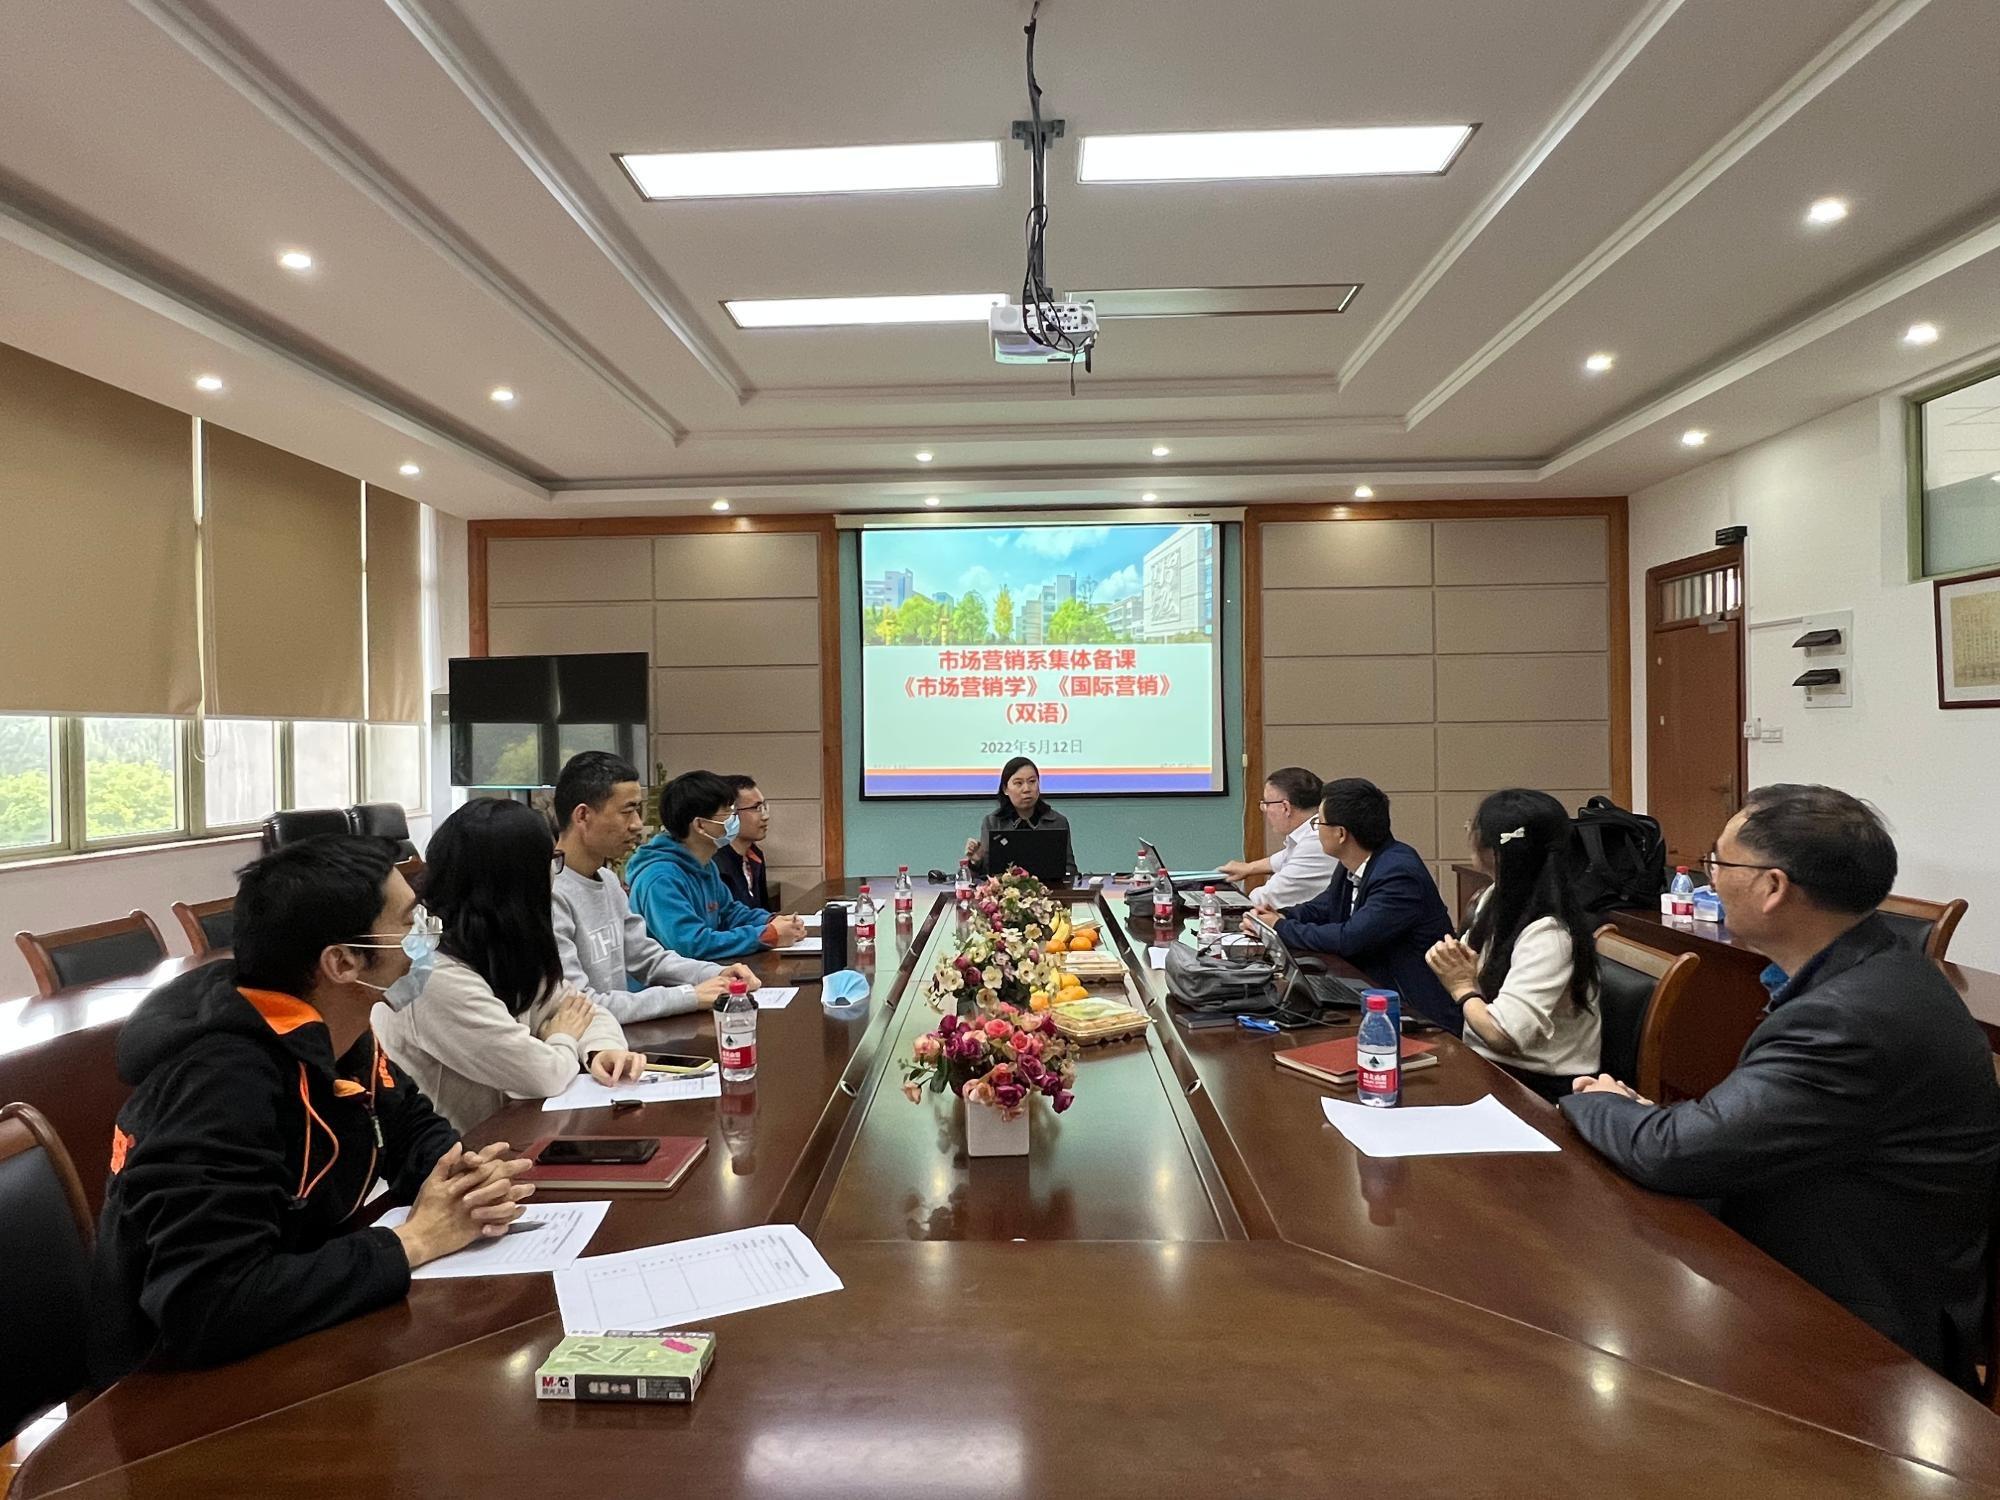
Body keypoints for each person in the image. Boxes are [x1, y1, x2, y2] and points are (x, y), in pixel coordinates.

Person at [1561, 784, 2000, 1390]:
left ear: (1773, 887)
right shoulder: (1876, 968)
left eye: (1719, 862)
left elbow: (1676, 1153)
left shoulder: (1849, 1018)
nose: (1711, 879)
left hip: (1862, 1336)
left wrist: (1601, 1102)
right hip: (1810, 1261)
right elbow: (1731, 1126)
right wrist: (1659, 1122)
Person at [89, 836, 534, 1382]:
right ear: (343, 962)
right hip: (173, 1390)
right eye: (408, 922)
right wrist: (415, 1240)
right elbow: (207, 1304)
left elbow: (407, 1123)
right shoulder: (220, 1082)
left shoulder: (334, 1027)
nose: (426, 936)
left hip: (297, 1332)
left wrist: (462, 1177)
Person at [375, 799, 647, 1134]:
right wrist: (562, 1037)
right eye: (551, 861)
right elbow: (541, 1075)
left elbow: (579, 1008)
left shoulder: (501, 940)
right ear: (517, 879)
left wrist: (600, 1049)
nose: (554, 874)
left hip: (516, 1131)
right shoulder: (428, 973)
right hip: (460, 1150)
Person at [551, 751, 759, 1024]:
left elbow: (647, 958)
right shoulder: (550, 893)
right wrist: (690, 996)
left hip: (616, 1038)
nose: (637, 825)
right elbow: (579, 1006)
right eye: (627, 812)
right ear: (583, 816)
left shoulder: (608, 881)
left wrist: (714, 974)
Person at [1424, 789, 1601, 1102]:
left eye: (1473, 828)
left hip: (1539, 1087)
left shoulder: (1551, 934)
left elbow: (1502, 1035)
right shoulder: (1493, 897)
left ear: (1496, 850)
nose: (1469, 834)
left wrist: (1462, 987)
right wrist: (1452, 962)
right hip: (1488, 1066)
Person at [1245, 777, 1458, 1032]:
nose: (1316, 830)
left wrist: (1280, 927)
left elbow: (1351, 938)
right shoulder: (1354, 862)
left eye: (1319, 823)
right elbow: (1323, 908)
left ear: (1341, 833)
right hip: (1372, 991)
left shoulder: (1398, 873)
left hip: (1417, 1013)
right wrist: (1278, 916)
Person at [627, 770, 810, 962]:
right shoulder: (660, 878)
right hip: (669, 980)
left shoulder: (705, 864)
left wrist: (770, 921)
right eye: (727, 813)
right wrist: (766, 935)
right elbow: (691, 944)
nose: (734, 820)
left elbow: (730, 913)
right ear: (700, 825)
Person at [1218, 767, 1337, 909]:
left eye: (1266, 804)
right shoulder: (1309, 833)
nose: (1264, 810)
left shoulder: (1316, 841)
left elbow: (1267, 898)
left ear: (1285, 807)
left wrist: (1218, 902)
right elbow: (1283, 858)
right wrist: (1249, 868)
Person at [964, 756, 1077, 879]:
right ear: (1005, 789)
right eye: (1018, 783)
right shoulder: (993, 823)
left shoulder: (1057, 822)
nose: (1027, 789)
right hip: (1006, 891)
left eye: (1032, 781)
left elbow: (1070, 870)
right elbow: (986, 875)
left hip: (1050, 890)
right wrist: (975, 860)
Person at [713, 774, 772, 910]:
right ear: (729, 814)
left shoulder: (755, 856)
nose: (765, 816)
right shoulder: (715, 863)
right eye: (756, 808)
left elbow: (763, 912)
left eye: (764, 807)